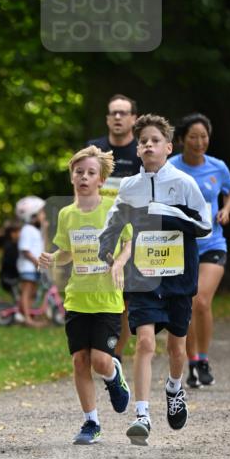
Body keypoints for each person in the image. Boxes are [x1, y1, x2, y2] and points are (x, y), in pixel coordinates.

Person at [98, 114, 211, 446]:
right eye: (143, 141)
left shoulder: (185, 183)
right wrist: (110, 257)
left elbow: (203, 226)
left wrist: (166, 210)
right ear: (137, 149)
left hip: (178, 277)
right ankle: (142, 414)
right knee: (145, 342)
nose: (148, 145)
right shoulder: (129, 188)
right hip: (143, 280)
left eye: (154, 141)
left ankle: (174, 388)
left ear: (168, 147)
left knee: (176, 347)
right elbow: (111, 230)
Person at [39, 146, 132, 445]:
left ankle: (114, 374)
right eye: (79, 172)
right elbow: (68, 252)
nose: (84, 177)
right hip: (77, 299)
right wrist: (53, 258)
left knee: (101, 362)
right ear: (72, 177)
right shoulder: (67, 214)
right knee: (80, 360)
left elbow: (129, 242)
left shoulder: (113, 209)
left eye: (91, 173)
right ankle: (91, 422)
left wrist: (118, 262)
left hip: (106, 299)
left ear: (101, 180)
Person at [170, 113, 230, 388]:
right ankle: (193, 361)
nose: (199, 142)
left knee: (201, 301)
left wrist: (226, 209)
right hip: (181, 245)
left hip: (212, 243)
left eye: (204, 136)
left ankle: (204, 358)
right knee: (186, 304)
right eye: (193, 137)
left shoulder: (217, 167)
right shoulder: (171, 167)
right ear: (182, 140)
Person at [88, 93, 140, 360]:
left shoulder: (141, 152)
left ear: (134, 118)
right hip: (100, 235)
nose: (118, 117)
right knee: (101, 294)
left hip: (133, 236)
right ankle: (101, 347)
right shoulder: (94, 150)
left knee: (125, 301)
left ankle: (116, 354)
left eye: (123, 113)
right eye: (113, 113)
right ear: (108, 118)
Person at [15, 196, 46, 326]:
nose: (44, 215)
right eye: (41, 212)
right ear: (32, 215)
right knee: (27, 292)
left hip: (34, 267)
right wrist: (36, 262)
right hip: (28, 267)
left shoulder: (34, 230)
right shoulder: (27, 230)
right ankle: (26, 318)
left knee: (33, 292)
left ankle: (29, 315)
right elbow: (25, 250)